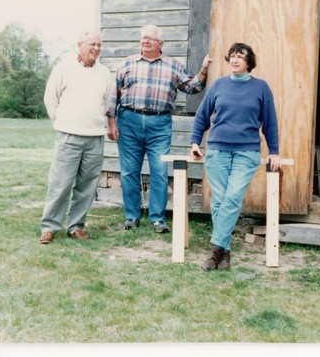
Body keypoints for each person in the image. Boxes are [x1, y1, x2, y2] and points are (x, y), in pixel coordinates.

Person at [107, 25, 210, 233]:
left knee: (160, 171)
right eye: (143, 38)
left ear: (160, 44)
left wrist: (204, 70)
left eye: (150, 39)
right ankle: (131, 217)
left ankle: (157, 218)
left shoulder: (173, 66)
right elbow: (113, 95)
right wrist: (111, 122)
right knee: (129, 171)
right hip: (129, 121)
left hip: (159, 124)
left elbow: (192, 87)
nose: (145, 41)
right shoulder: (127, 63)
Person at [190, 42, 280, 271]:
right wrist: (194, 142)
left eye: (241, 56)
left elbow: (270, 122)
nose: (235, 60)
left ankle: (215, 249)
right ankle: (225, 253)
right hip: (218, 150)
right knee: (219, 201)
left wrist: (274, 152)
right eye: (232, 56)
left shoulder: (261, 87)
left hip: (246, 152)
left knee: (232, 198)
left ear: (249, 62)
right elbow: (202, 116)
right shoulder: (219, 85)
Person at [39, 31, 113, 244]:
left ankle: (76, 226)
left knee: (87, 186)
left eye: (99, 45)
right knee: (60, 184)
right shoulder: (63, 68)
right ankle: (50, 227)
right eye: (92, 44)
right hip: (68, 136)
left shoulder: (104, 72)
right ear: (79, 45)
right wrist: (62, 122)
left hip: (95, 138)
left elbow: (106, 102)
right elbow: (50, 98)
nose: (96, 48)